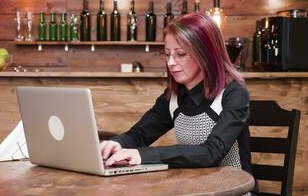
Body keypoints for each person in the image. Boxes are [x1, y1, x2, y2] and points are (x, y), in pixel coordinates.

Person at [100, 12, 253, 193]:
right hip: (193, 189)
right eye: (167, 54)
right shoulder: (174, 96)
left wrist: (143, 155)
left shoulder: (234, 93)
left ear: (206, 54)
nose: (171, 62)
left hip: (232, 191)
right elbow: (140, 134)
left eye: (180, 54)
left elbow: (212, 153)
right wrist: (118, 143)